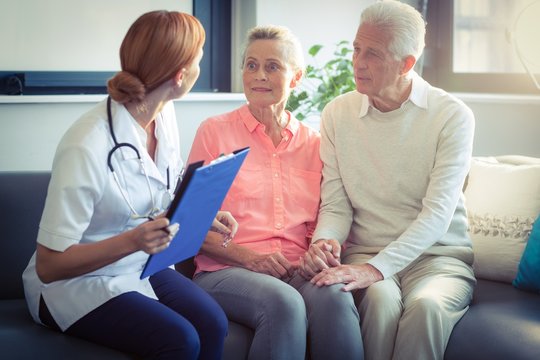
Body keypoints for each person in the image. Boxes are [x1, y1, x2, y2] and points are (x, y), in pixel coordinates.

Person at [22, 11, 236, 360]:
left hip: (139, 264)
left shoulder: (163, 115)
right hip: (72, 286)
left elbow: (161, 184)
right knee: (180, 340)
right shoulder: (87, 143)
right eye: (200, 57)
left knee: (213, 323)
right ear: (180, 75)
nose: (201, 65)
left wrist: (202, 209)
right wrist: (133, 240)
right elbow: (49, 265)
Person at [299, 1, 477, 360]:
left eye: (373, 54)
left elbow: (437, 215)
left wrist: (374, 269)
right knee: (379, 303)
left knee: (426, 307)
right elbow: (336, 203)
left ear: (406, 64)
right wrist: (325, 241)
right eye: (356, 49)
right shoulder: (337, 114)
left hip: (438, 259)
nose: (358, 62)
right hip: (366, 249)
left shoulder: (452, 116)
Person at [186, 25, 363, 360]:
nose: (259, 75)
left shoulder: (316, 144)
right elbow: (190, 227)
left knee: (337, 296)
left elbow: (329, 217)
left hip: (298, 271)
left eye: (272, 66)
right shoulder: (214, 133)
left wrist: (318, 253)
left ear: (296, 78)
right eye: (251, 65)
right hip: (226, 271)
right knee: (282, 302)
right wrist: (251, 259)